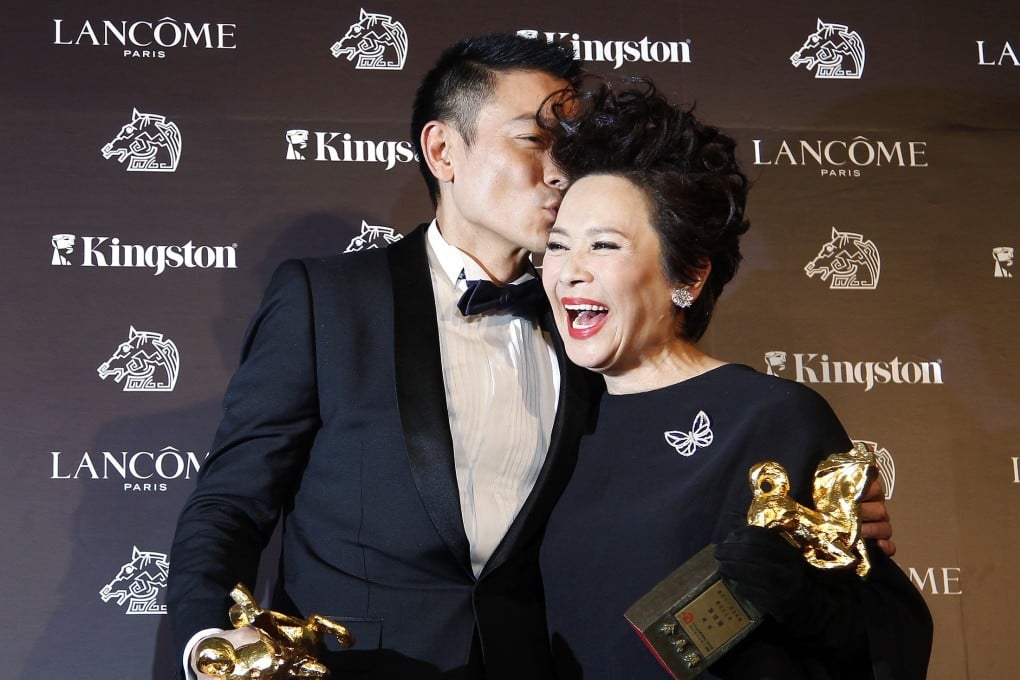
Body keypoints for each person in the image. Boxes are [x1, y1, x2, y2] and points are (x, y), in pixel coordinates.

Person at [167, 33, 595, 679]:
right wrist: (211, 650)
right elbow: (231, 504)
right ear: (444, 150)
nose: (560, 170)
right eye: (533, 140)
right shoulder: (327, 301)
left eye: (573, 147)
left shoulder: (589, 321)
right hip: (352, 664)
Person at [537, 78, 932, 679]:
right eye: (559, 246)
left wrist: (806, 605)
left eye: (604, 245)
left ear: (688, 276)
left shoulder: (772, 416)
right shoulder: (554, 415)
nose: (571, 271)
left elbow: (889, 633)